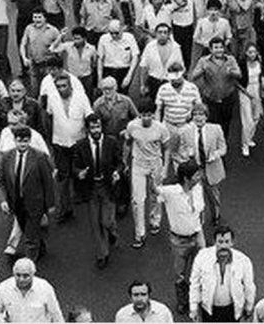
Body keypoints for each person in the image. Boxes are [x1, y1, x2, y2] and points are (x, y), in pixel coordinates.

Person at [0, 126, 56, 262]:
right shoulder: (7, 157)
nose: (22, 144)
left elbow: (48, 182)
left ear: (30, 141)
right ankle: (40, 245)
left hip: (35, 203)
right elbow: (0, 180)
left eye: (26, 141)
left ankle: (29, 264)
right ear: (15, 140)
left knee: (30, 238)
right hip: (16, 203)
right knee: (27, 229)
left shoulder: (39, 158)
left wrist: (50, 204)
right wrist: (3, 200)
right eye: (19, 141)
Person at [72, 113, 123, 269]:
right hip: (91, 187)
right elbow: (74, 166)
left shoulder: (111, 142)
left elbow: (119, 162)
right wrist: (79, 172)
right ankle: (102, 254)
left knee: (106, 221)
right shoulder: (80, 146)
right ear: (88, 129)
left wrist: (117, 172)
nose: (96, 129)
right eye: (92, 127)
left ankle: (112, 232)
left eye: (98, 126)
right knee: (95, 223)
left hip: (108, 186)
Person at [156, 160, 206, 315]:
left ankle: (198, 299)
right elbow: (155, 190)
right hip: (179, 240)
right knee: (180, 275)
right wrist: (153, 175)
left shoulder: (198, 189)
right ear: (186, 178)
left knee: (200, 269)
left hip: (197, 234)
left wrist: (201, 233)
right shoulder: (171, 191)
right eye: (197, 175)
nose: (200, 177)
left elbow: (200, 210)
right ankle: (182, 301)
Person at [124, 98, 171, 249]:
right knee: (137, 200)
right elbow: (127, 143)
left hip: (155, 164)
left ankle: (155, 220)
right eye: (143, 115)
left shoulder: (161, 128)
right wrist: (124, 162)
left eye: (149, 115)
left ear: (153, 115)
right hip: (138, 164)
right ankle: (140, 234)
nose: (146, 118)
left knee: (155, 195)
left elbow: (167, 148)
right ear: (139, 115)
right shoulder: (132, 126)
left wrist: (165, 168)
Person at [46, 73, 93, 223]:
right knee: (63, 176)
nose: (61, 89)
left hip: (78, 142)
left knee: (78, 173)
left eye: (64, 86)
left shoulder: (81, 97)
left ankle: (80, 198)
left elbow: (89, 116)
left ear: (70, 86)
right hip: (59, 143)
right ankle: (64, 209)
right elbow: (49, 115)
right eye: (58, 86)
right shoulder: (52, 98)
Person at [189, 226, 256, 322]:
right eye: (220, 242)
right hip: (208, 310)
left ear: (232, 242)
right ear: (214, 242)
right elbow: (194, 283)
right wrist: (193, 307)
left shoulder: (243, 261)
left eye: (227, 242)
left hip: (232, 310)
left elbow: (249, 286)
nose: (223, 246)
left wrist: (249, 306)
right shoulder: (202, 257)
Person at [177, 103, 226, 228]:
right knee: (195, 195)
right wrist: (187, 154)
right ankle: (197, 219)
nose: (198, 118)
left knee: (213, 196)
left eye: (201, 114)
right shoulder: (185, 131)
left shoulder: (216, 129)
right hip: (195, 169)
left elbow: (223, 148)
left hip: (211, 168)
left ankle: (216, 216)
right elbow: (181, 149)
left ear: (206, 116)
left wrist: (215, 155)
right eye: (195, 114)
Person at [191, 37, 241, 140]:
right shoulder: (203, 60)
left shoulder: (230, 59)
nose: (219, 50)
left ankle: (224, 143)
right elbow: (193, 76)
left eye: (221, 47)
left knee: (226, 123)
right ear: (211, 49)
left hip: (227, 98)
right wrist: (202, 70)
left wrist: (231, 72)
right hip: (211, 100)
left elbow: (239, 74)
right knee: (212, 124)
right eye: (216, 47)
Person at [0, 258, 64, 322]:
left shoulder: (45, 288)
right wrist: (1, 321)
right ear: (13, 273)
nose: (21, 279)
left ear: (33, 274)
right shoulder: (4, 287)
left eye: (25, 276)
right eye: (18, 275)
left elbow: (56, 314)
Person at [20, 8, 61, 95]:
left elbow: (61, 47)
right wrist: (24, 58)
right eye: (34, 17)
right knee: (35, 89)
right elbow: (23, 44)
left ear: (45, 18)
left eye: (39, 17)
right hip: (34, 63)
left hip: (48, 64)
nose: (36, 20)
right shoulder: (29, 28)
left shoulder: (53, 30)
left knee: (48, 89)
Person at [139, 22, 183, 99]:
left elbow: (180, 67)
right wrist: (142, 84)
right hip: (154, 81)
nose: (162, 35)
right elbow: (144, 66)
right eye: (160, 32)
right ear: (155, 34)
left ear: (169, 34)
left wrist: (178, 85)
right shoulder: (149, 47)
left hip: (170, 82)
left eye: (165, 32)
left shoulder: (176, 48)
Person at [97, 20, 140, 95]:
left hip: (124, 69)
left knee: (123, 94)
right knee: (108, 94)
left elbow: (135, 56)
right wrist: (99, 78)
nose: (114, 35)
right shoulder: (104, 39)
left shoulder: (129, 38)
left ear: (122, 29)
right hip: (109, 69)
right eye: (111, 33)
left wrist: (129, 75)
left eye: (116, 33)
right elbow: (100, 59)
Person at [238, 43, 264, 157]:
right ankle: (245, 144)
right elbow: (236, 82)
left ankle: (249, 138)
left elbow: (261, 75)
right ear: (246, 53)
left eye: (254, 52)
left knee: (256, 117)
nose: (252, 54)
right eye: (250, 52)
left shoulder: (259, 62)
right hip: (245, 91)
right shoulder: (242, 64)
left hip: (257, 89)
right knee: (247, 119)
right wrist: (246, 93)